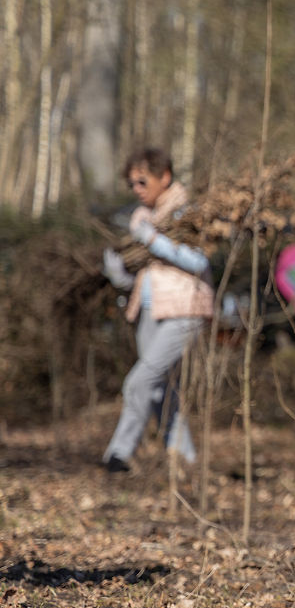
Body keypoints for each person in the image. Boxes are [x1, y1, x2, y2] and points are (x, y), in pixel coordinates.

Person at [100, 148, 214, 473]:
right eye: (131, 183)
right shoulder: (140, 217)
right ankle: (185, 462)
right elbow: (143, 275)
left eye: (141, 180)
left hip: (185, 309)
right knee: (163, 392)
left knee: (139, 381)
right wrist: (117, 271)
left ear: (164, 176)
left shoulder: (186, 211)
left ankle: (119, 455)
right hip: (149, 310)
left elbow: (198, 260)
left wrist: (151, 239)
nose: (136, 188)